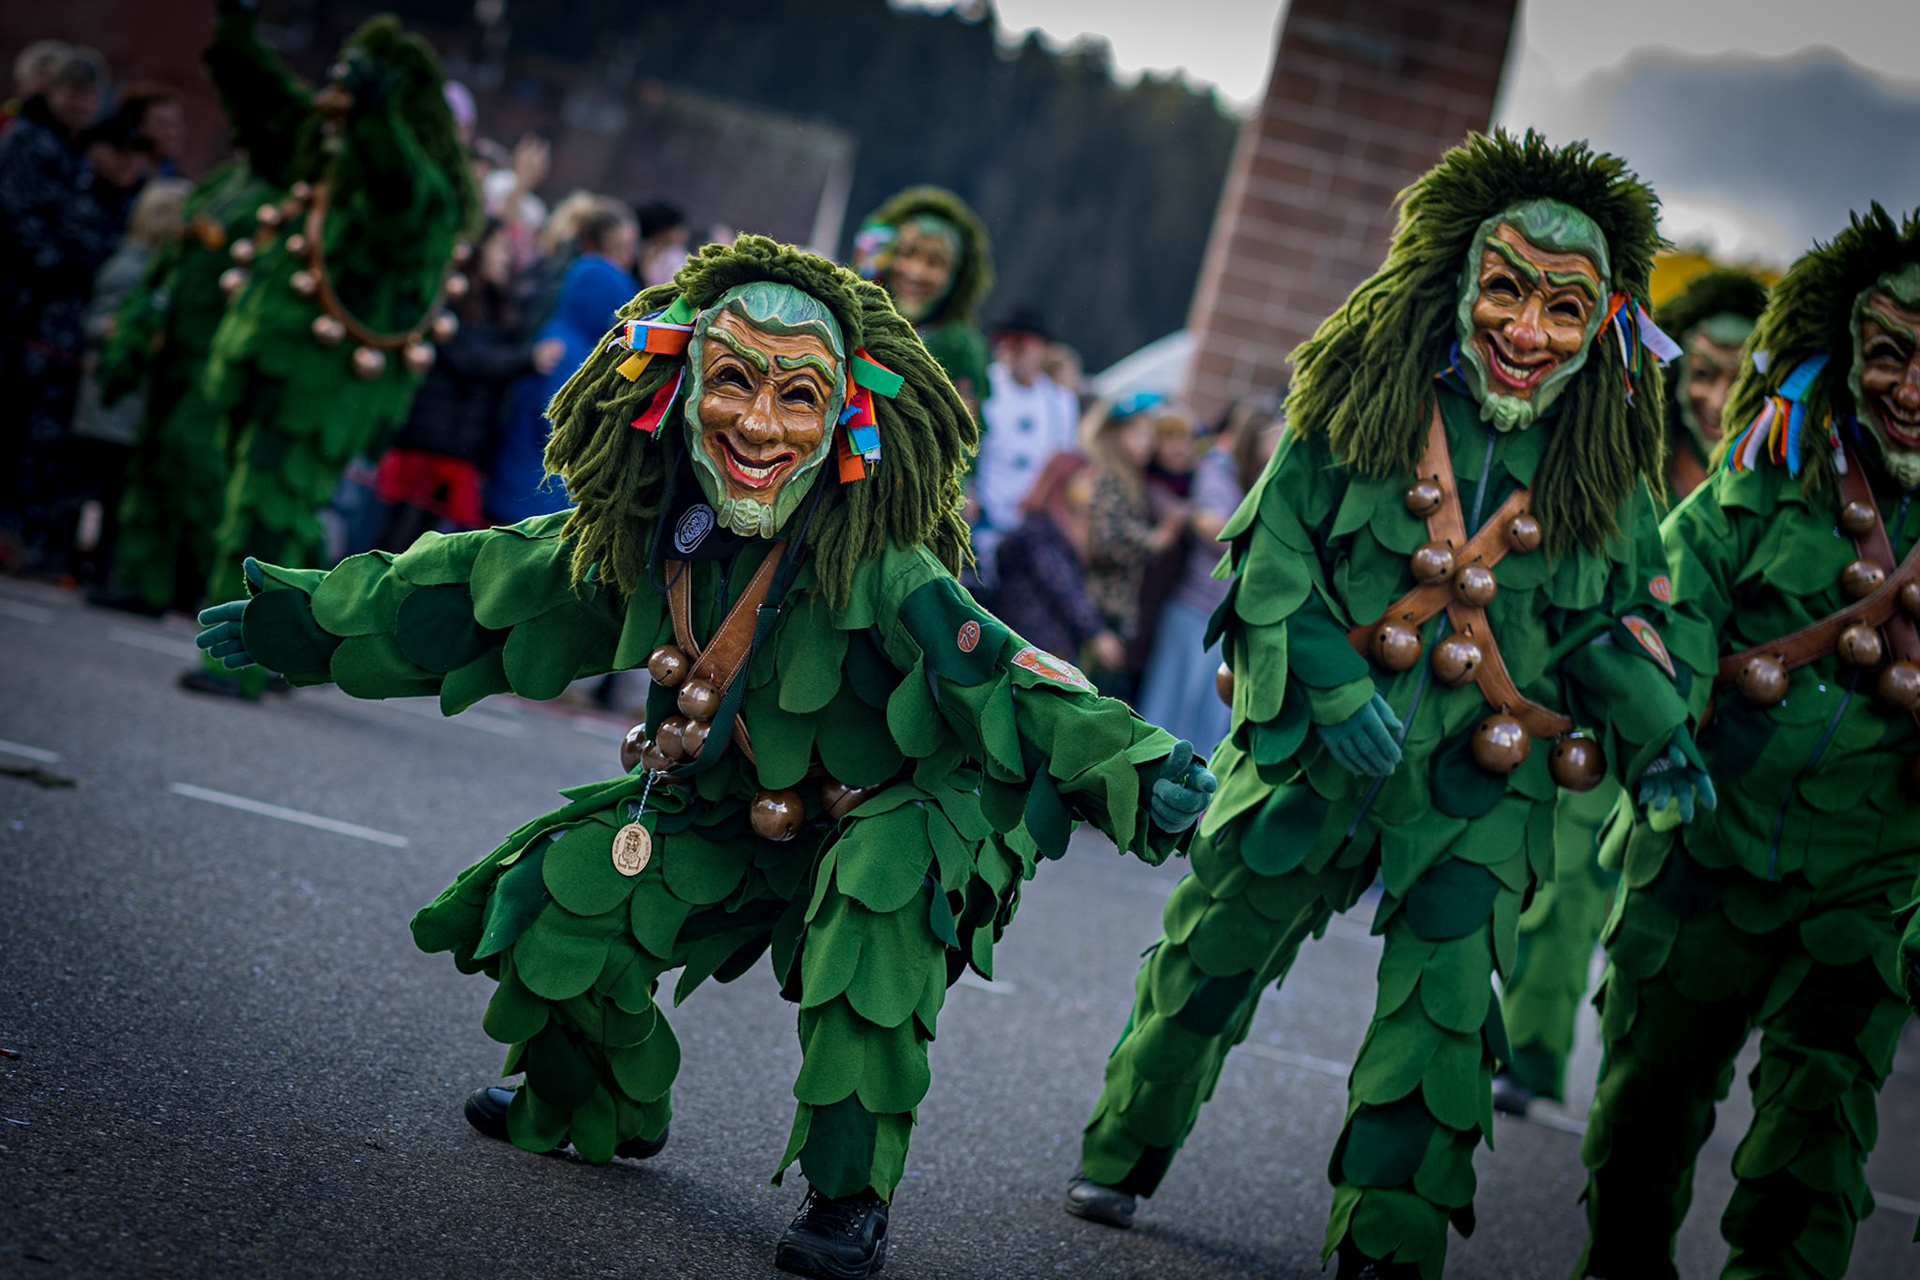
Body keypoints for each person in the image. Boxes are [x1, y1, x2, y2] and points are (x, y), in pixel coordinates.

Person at [192, 236, 1217, 1280]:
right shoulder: (651, 533)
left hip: (893, 805)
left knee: (877, 900)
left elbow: (1006, 671)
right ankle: (604, 1098)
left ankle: (850, 1193)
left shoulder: (884, 566)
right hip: (730, 804)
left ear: (845, 418)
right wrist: (310, 620)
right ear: (678, 394)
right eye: (731, 381)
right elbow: (485, 582)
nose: (759, 425)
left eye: (798, 395)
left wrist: (1139, 764)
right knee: (556, 895)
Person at [1065, 131, 1715, 1280]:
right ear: (1455, 280)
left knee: (1446, 1013)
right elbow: (1269, 564)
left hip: (1478, 786)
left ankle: (1387, 1243)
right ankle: (1124, 1145)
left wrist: (1660, 731)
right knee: (1209, 959)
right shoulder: (1356, 404)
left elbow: (1608, 625)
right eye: (1507, 290)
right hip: (1313, 757)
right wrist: (1330, 683)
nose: (1528, 332)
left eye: (1565, 307)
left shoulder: (1605, 468)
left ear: (1605, 320)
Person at [1576, 204, 1920, 1280]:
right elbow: (1669, 600)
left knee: (1816, 1138)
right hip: (1707, 843)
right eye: (1892, 355)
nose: (1914, 393)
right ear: (1843, 346)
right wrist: (1664, 732)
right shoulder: (1769, 473)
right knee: (1646, 1107)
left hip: (1871, 874)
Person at [1491, 263, 1774, 1119]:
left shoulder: (1781, 478)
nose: (1717, 396)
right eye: (1703, 371)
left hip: (1723, 727)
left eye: (1738, 375)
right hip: (1607, 703)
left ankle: (1647, 1096)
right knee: (1569, 876)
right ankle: (1531, 1055)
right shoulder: (1629, 456)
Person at [181, 0, 477, 697]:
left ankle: (240, 663)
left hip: (323, 387)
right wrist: (236, 36)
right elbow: (272, 117)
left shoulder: (425, 194)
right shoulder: (328, 161)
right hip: (269, 364)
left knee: (265, 513)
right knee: (266, 509)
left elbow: (401, 194)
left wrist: (378, 120)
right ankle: (305, 642)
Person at [372, 219, 561, 551]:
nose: (507, 256)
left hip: (459, 448)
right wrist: (527, 359)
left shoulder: (497, 306)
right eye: (500, 247)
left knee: (423, 547)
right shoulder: (453, 298)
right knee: (398, 539)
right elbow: (468, 359)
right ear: (478, 249)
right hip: (428, 443)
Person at [0, 43, 111, 575]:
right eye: (71, 91)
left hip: (56, 320)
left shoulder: (81, 149)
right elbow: (19, 217)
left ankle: (19, 537)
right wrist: (66, 262)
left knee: (38, 435)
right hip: (19, 308)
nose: (80, 103)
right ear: (52, 91)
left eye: (89, 94)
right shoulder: (27, 138)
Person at [67, 175, 190, 586]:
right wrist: (127, 333)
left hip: (129, 409)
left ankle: (104, 570)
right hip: (110, 404)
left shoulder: (160, 272)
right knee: (94, 491)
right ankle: (74, 563)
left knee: (115, 495)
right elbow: (96, 323)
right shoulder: (131, 269)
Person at [1135, 399, 1278, 753]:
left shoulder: (1267, 480)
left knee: (1207, 724)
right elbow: (1212, 528)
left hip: (1231, 620)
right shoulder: (1217, 470)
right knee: (1163, 716)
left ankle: (1189, 786)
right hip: (1193, 610)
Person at [486, 198, 636, 526]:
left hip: (522, 484)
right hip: (531, 497)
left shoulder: (562, 333)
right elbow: (559, 422)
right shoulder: (570, 352)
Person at [852, 185, 994, 417]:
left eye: (934, 263)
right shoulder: (853, 321)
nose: (916, 273)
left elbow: (962, 428)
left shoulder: (960, 347)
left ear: (957, 277)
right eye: (907, 253)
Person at [1081, 393, 1187, 697]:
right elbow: (1105, 540)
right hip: (1098, 608)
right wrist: (1156, 539)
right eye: (1138, 432)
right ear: (1114, 433)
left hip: (1118, 610)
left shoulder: (1132, 477)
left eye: (1150, 435)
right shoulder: (1107, 475)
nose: (1147, 443)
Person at [992, 450, 1127, 672]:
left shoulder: (1064, 529)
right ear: (1065, 481)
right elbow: (1062, 586)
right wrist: (1096, 633)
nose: (1093, 489)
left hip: (1047, 645)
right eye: (1086, 480)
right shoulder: (1039, 530)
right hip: (1030, 646)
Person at [972, 306, 1081, 578]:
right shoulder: (982, 387)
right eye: (1004, 342)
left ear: (1043, 349)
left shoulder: (1061, 402)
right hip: (981, 526)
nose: (1011, 351)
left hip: (1032, 532)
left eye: (1021, 344)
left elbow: (1065, 464)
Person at [636, 198, 690, 288]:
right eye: (677, 229)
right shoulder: (672, 256)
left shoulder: (675, 254)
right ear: (662, 233)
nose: (684, 234)